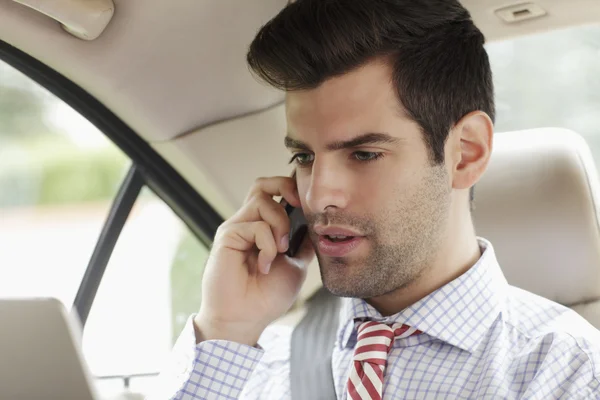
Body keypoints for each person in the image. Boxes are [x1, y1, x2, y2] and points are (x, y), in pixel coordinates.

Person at [151, 0, 600, 399]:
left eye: (364, 153)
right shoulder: (252, 367)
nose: (319, 194)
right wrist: (225, 329)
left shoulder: (566, 375)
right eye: (304, 156)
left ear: (466, 152)